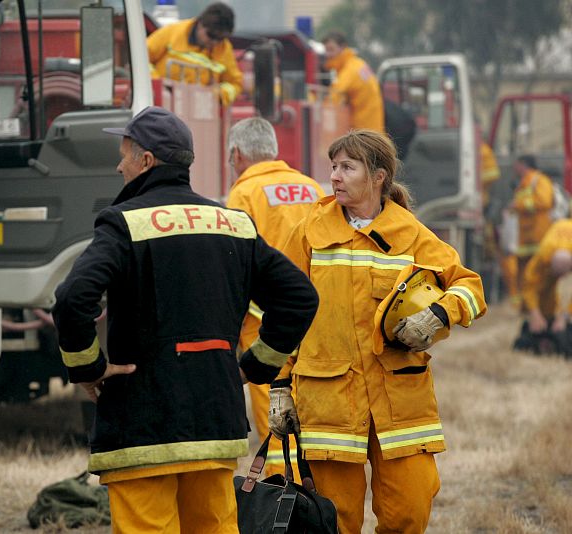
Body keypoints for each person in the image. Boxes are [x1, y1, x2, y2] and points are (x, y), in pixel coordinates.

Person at [53, 106, 319, 533]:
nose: (118, 165)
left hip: (141, 426)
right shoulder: (233, 223)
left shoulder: (122, 224)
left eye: (124, 154)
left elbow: (71, 298)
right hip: (214, 422)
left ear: (146, 162)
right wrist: (253, 368)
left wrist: (88, 367)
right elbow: (300, 297)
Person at [269, 129, 486, 533]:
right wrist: (279, 386)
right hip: (328, 400)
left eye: (347, 167)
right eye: (333, 166)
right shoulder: (308, 233)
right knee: (335, 518)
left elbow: (469, 286)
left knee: (410, 508)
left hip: (399, 402)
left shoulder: (411, 233)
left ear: (378, 175)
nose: (334, 176)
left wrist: (439, 314)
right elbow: (282, 312)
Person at [225, 116, 325, 477]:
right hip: (314, 312)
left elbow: (236, 260)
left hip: (264, 319)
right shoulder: (312, 187)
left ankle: (284, 494)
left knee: (275, 410)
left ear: (236, 154)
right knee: (310, 405)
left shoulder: (243, 194)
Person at [146, 2, 243, 107]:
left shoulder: (224, 48)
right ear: (200, 23)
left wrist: (218, 94)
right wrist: (159, 84)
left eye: (220, 39)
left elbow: (235, 83)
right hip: (163, 104)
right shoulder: (173, 33)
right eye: (211, 35)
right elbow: (140, 59)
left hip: (200, 109)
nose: (214, 42)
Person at [514, 218, 572, 357]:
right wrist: (535, 314)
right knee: (544, 308)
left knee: (562, 322)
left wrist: (564, 316)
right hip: (550, 262)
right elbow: (529, 286)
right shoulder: (543, 255)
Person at [508, 154, 554, 303]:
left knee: (537, 271)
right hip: (526, 236)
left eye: (517, 164)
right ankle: (526, 302)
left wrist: (519, 205)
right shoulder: (524, 182)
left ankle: (538, 301)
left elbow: (544, 201)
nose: (514, 168)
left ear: (524, 164)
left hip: (538, 234)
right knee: (524, 270)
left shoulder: (539, 180)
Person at [321, 31, 384, 132]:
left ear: (343, 48)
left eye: (331, 49)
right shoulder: (358, 63)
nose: (328, 54)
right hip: (373, 128)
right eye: (326, 50)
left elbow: (333, 100)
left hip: (362, 132)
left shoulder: (348, 72)